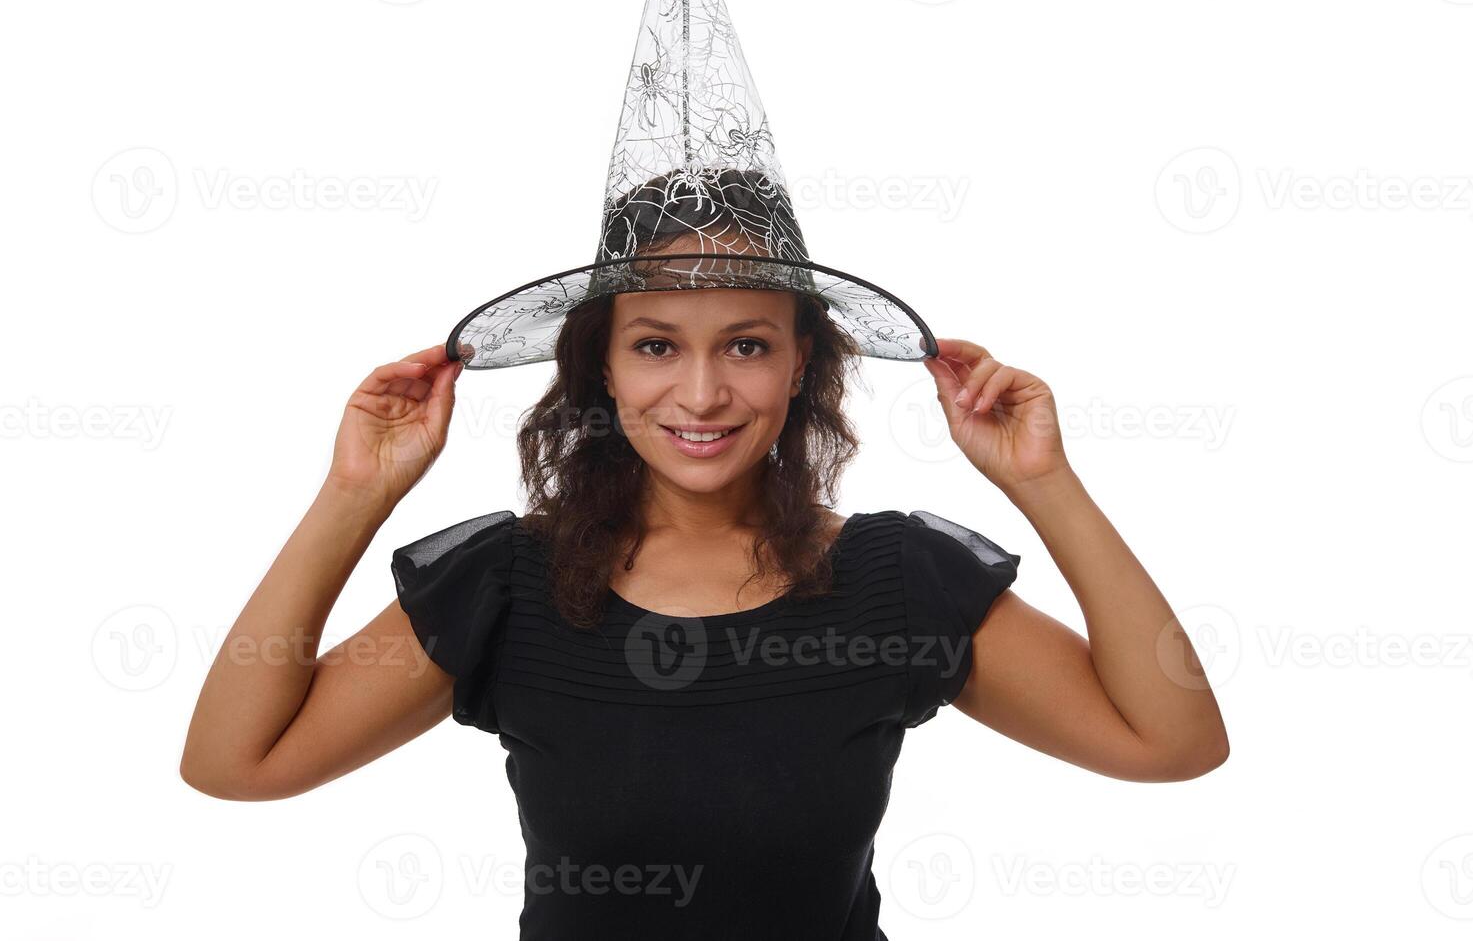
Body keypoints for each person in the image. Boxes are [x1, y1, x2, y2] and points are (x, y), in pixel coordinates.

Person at [178, 227, 1230, 940]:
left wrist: (1045, 484)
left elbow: (1173, 740)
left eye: (746, 344)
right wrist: (354, 494)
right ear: (603, 367)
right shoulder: (510, 585)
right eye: (654, 345)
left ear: (800, 363)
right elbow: (235, 761)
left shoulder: (894, 580)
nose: (702, 391)